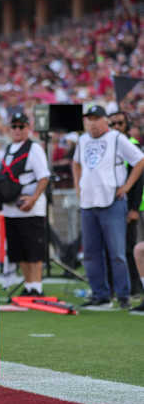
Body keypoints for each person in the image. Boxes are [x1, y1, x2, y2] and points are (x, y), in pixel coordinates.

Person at [73, 105, 144, 310]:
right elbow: (76, 163)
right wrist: (78, 186)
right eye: (89, 119)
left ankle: (123, 295)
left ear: (105, 121)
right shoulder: (83, 140)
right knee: (91, 252)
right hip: (88, 202)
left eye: (96, 119)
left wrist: (127, 186)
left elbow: (139, 160)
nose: (92, 123)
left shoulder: (116, 138)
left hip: (111, 201)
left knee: (117, 252)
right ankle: (100, 294)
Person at [0, 112, 50, 297]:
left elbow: (43, 177)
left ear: (28, 128)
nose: (18, 130)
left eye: (22, 126)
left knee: (34, 249)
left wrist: (34, 198)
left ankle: (37, 286)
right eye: (15, 126)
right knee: (18, 251)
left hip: (30, 208)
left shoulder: (34, 148)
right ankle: (29, 285)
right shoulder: (8, 149)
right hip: (11, 208)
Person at [108, 111, 143, 295]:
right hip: (114, 204)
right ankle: (117, 286)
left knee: (130, 249)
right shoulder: (111, 143)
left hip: (130, 205)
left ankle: (135, 287)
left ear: (127, 125)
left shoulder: (132, 145)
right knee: (115, 248)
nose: (116, 127)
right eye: (112, 123)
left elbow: (138, 181)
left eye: (119, 123)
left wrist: (134, 208)